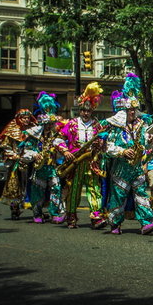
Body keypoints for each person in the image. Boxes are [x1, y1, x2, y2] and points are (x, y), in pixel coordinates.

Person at [101, 74, 153, 235]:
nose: (133, 112)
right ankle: (115, 223)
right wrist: (122, 151)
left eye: (134, 109)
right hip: (120, 169)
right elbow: (108, 147)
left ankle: (147, 222)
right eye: (129, 109)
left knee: (141, 195)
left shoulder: (141, 125)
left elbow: (146, 141)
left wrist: (152, 144)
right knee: (118, 197)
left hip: (137, 168)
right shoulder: (115, 127)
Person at [59, 82, 105, 229]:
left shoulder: (97, 125)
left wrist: (100, 146)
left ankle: (96, 216)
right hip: (75, 161)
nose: (86, 113)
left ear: (92, 111)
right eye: (83, 111)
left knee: (94, 189)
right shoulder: (71, 123)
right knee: (74, 189)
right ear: (80, 110)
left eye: (89, 111)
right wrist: (65, 151)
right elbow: (59, 138)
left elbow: (104, 143)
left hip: (91, 161)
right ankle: (71, 216)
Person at [22, 92, 67, 224]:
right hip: (39, 168)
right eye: (46, 124)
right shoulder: (34, 136)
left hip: (52, 167)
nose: (49, 127)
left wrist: (64, 151)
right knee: (37, 191)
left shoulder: (56, 136)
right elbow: (26, 151)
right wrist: (34, 154)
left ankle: (55, 213)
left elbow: (61, 145)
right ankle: (37, 213)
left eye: (51, 124)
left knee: (56, 188)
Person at [0, 108, 36, 220]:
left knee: (32, 184)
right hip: (16, 163)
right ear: (19, 118)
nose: (26, 120)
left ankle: (35, 209)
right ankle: (15, 209)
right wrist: (12, 154)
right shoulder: (11, 130)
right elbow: (5, 146)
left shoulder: (34, 129)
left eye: (28, 117)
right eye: (23, 118)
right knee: (15, 186)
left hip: (30, 162)